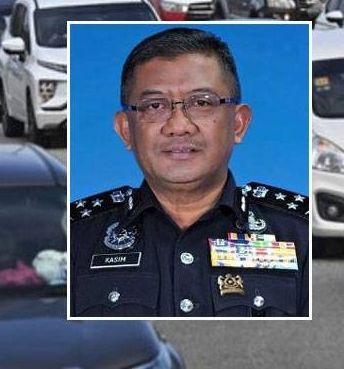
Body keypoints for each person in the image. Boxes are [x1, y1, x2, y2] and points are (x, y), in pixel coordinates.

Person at [69, 27, 308, 317]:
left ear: (238, 124)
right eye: (155, 105)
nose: (179, 125)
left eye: (202, 103)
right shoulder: (75, 235)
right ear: (125, 130)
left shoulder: (300, 233)